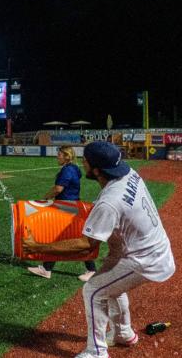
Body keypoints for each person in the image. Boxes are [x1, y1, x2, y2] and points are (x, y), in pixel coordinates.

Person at [23, 141, 176, 358]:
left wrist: (39, 247)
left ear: (96, 170)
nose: (82, 163)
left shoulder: (109, 202)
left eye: (85, 161)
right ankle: (123, 333)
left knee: (93, 290)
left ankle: (96, 352)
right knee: (111, 285)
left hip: (144, 257)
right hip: (145, 247)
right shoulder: (128, 173)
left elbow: (86, 244)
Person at [27, 146, 96, 281]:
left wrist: (46, 197)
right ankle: (47, 268)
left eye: (59, 154)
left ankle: (91, 269)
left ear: (66, 156)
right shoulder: (74, 169)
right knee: (60, 237)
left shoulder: (68, 170)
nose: (57, 156)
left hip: (66, 207)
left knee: (64, 237)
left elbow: (58, 189)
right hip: (72, 206)